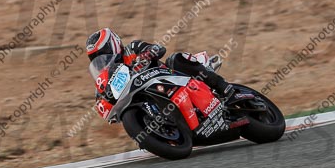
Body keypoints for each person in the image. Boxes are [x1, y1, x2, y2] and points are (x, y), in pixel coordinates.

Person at [85, 28, 234, 105]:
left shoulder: (133, 48)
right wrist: (102, 99)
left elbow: (159, 49)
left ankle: (224, 87)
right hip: (152, 97)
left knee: (176, 59)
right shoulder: (110, 78)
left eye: (103, 54)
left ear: (113, 44)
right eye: (96, 58)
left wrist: (147, 55)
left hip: (171, 78)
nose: (102, 60)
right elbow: (104, 96)